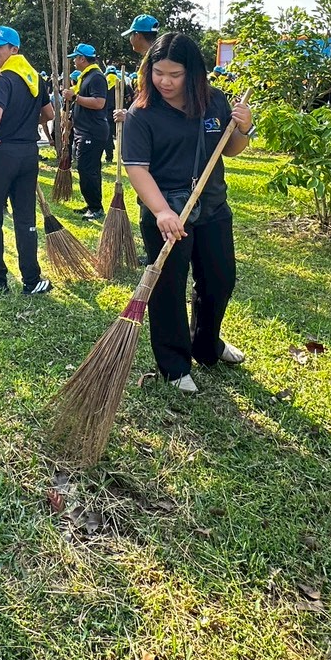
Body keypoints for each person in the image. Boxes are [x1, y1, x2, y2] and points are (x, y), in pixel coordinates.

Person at [123, 33, 253, 392]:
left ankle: (206, 345)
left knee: (219, 279)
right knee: (168, 286)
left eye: (175, 74)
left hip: (211, 206)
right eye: (158, 72)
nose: (164, 82)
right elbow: (137, 168)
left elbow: (230, 149)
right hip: (167, 212)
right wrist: (162, 211)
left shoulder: (214, 102)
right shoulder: (142, 113)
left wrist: (244, 127)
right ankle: (174, 365)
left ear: (193, 73)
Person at [0, 26, 54, 295]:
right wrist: (26, 124)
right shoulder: (34, 77)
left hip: (1, 154)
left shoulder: (2, 78)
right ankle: (32, 279)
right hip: (28, 154)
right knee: (25, 217)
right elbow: (49, 114)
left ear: (14, 49)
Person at [62, 43, 109, 220]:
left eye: (75, 58)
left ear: (82, 58)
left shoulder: (96, 77)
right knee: (88, 169)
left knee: (87, 169)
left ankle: (96, 207)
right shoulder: (86, 77)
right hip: (84, 130)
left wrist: (75, 97)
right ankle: (92, 204)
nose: (74, 62)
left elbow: (99, 102)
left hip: (92, 131)